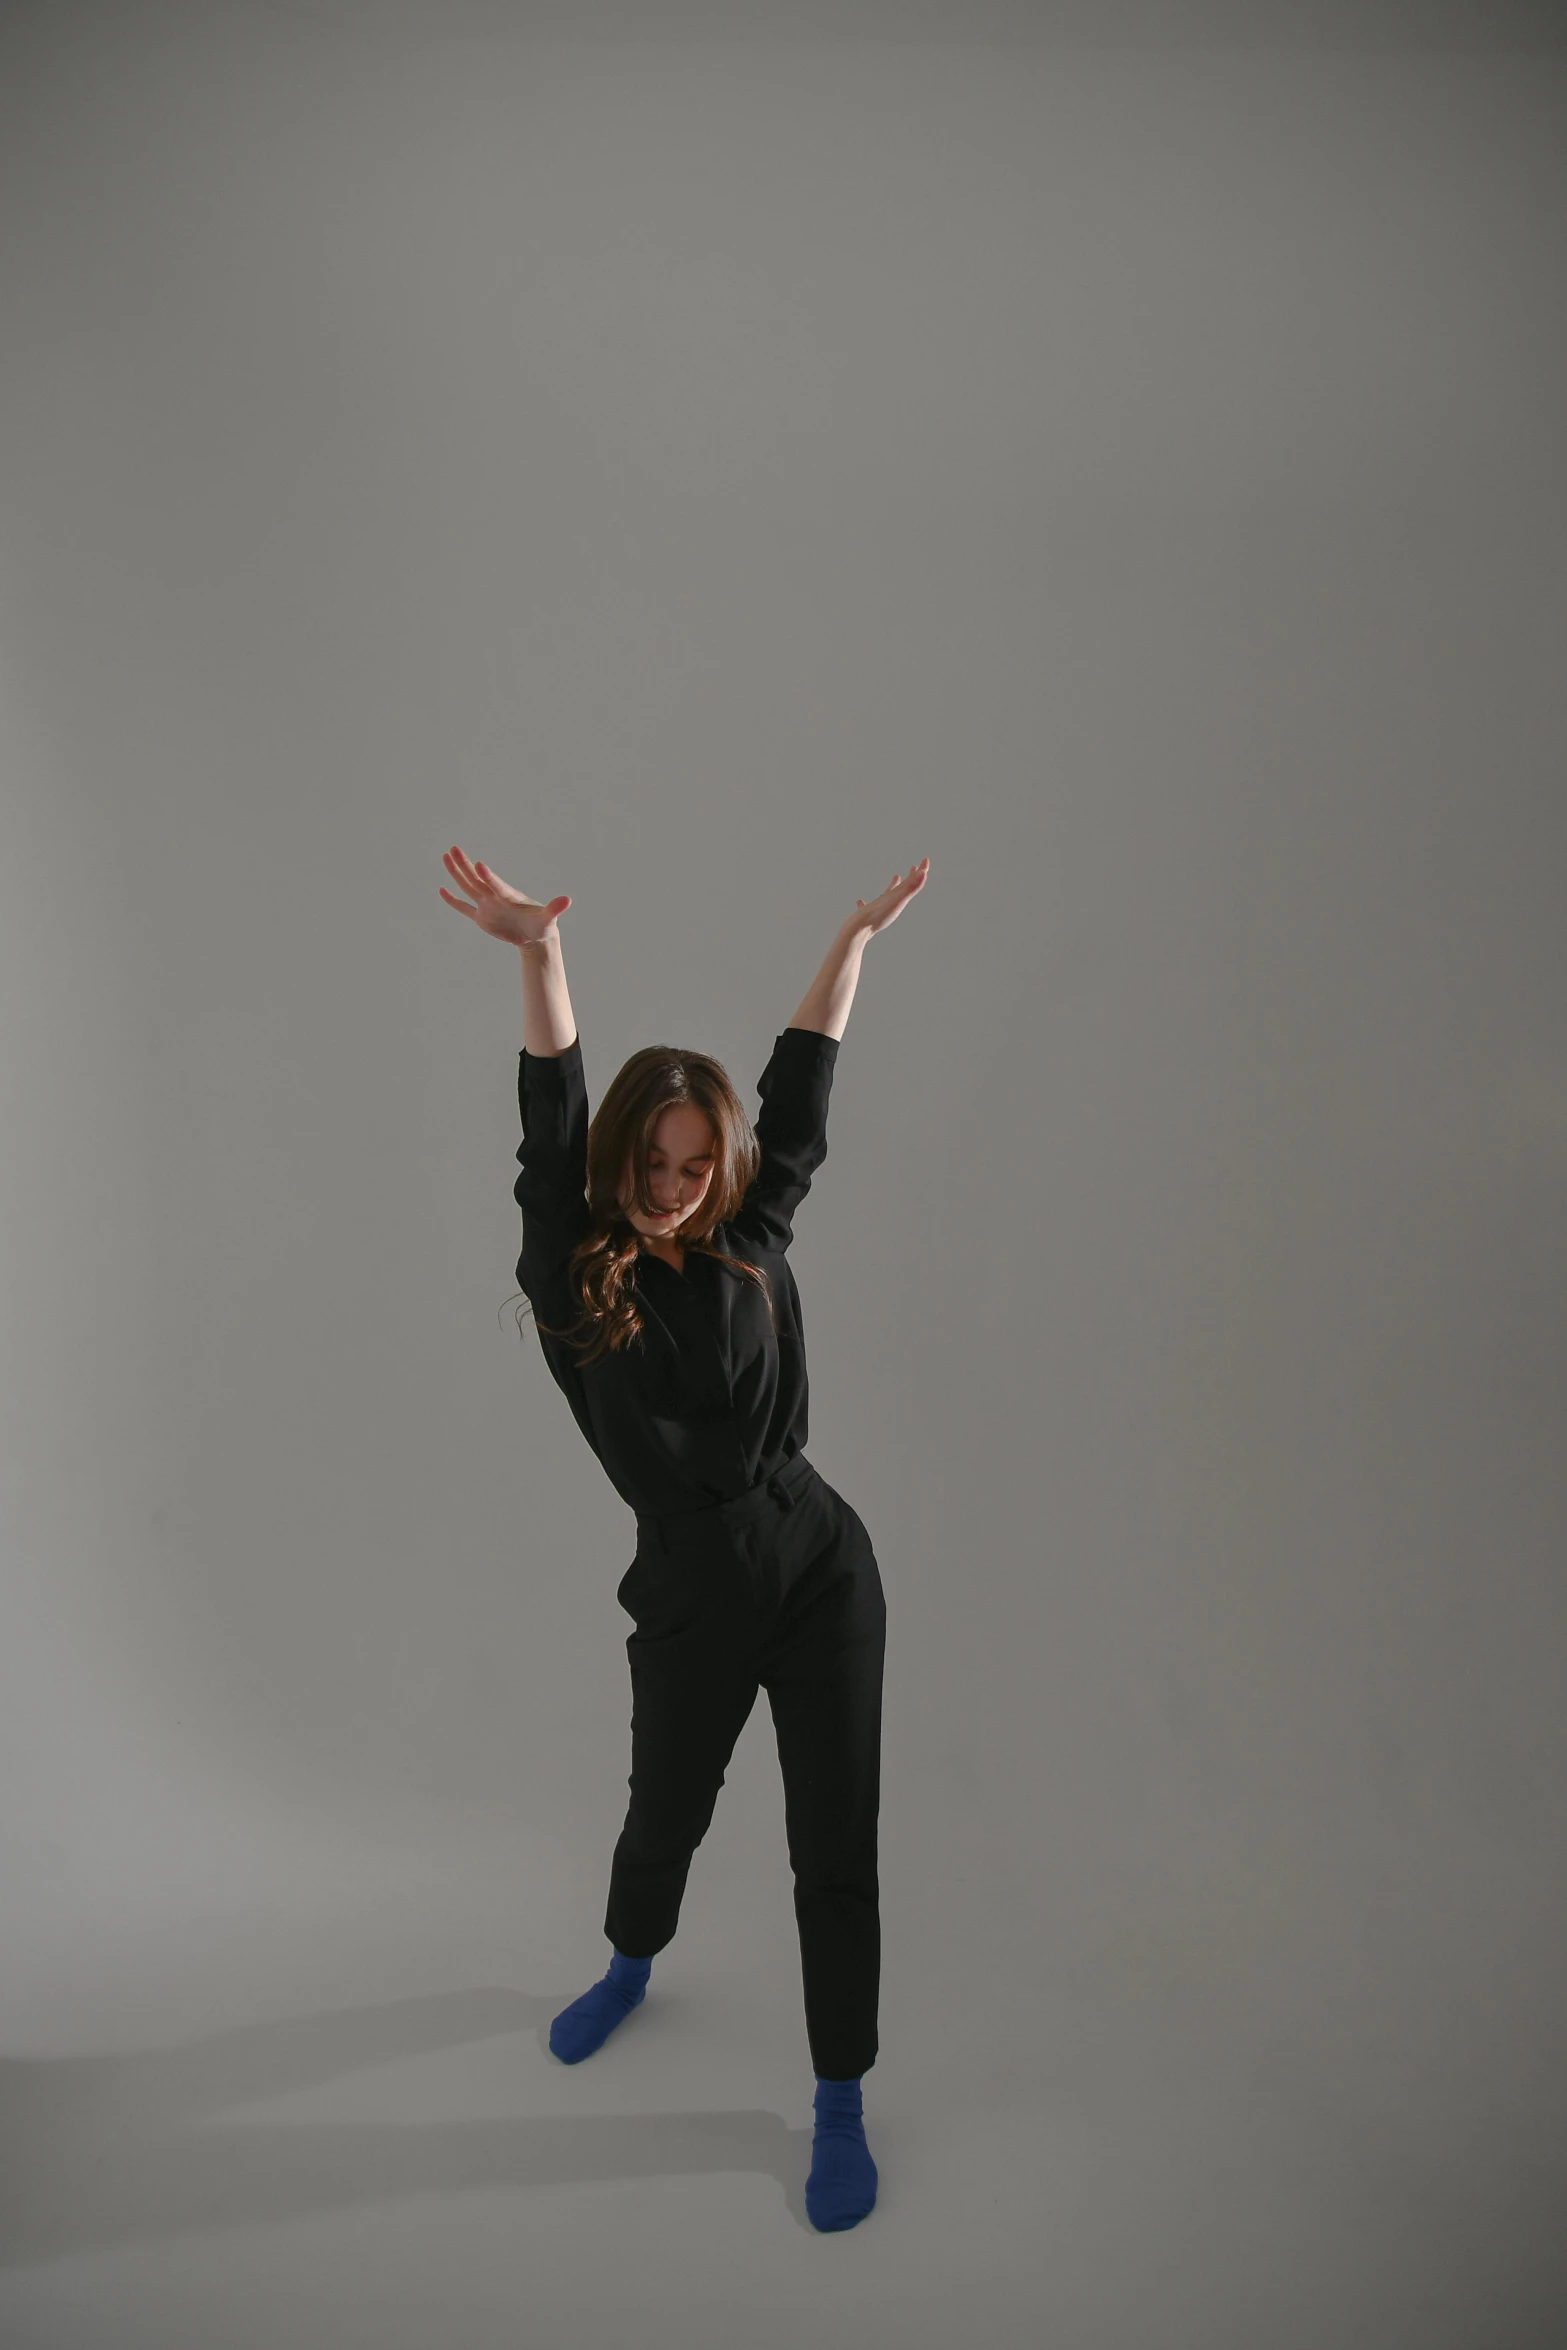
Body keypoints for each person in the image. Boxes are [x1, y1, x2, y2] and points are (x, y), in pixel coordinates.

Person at [438, 842, 931, 2233]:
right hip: (691, 1587)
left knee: (834, 1845)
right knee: (667, 1809)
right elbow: (550, 1119)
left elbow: (802, 1085)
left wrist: (851, 939)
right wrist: (539, 954)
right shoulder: (570, 1271)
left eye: (695, 1160)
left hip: (823, 1563)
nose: (672, 1181)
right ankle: (629, 1960)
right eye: (653, 1161)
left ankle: (837, 2095)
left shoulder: (754, 1232)